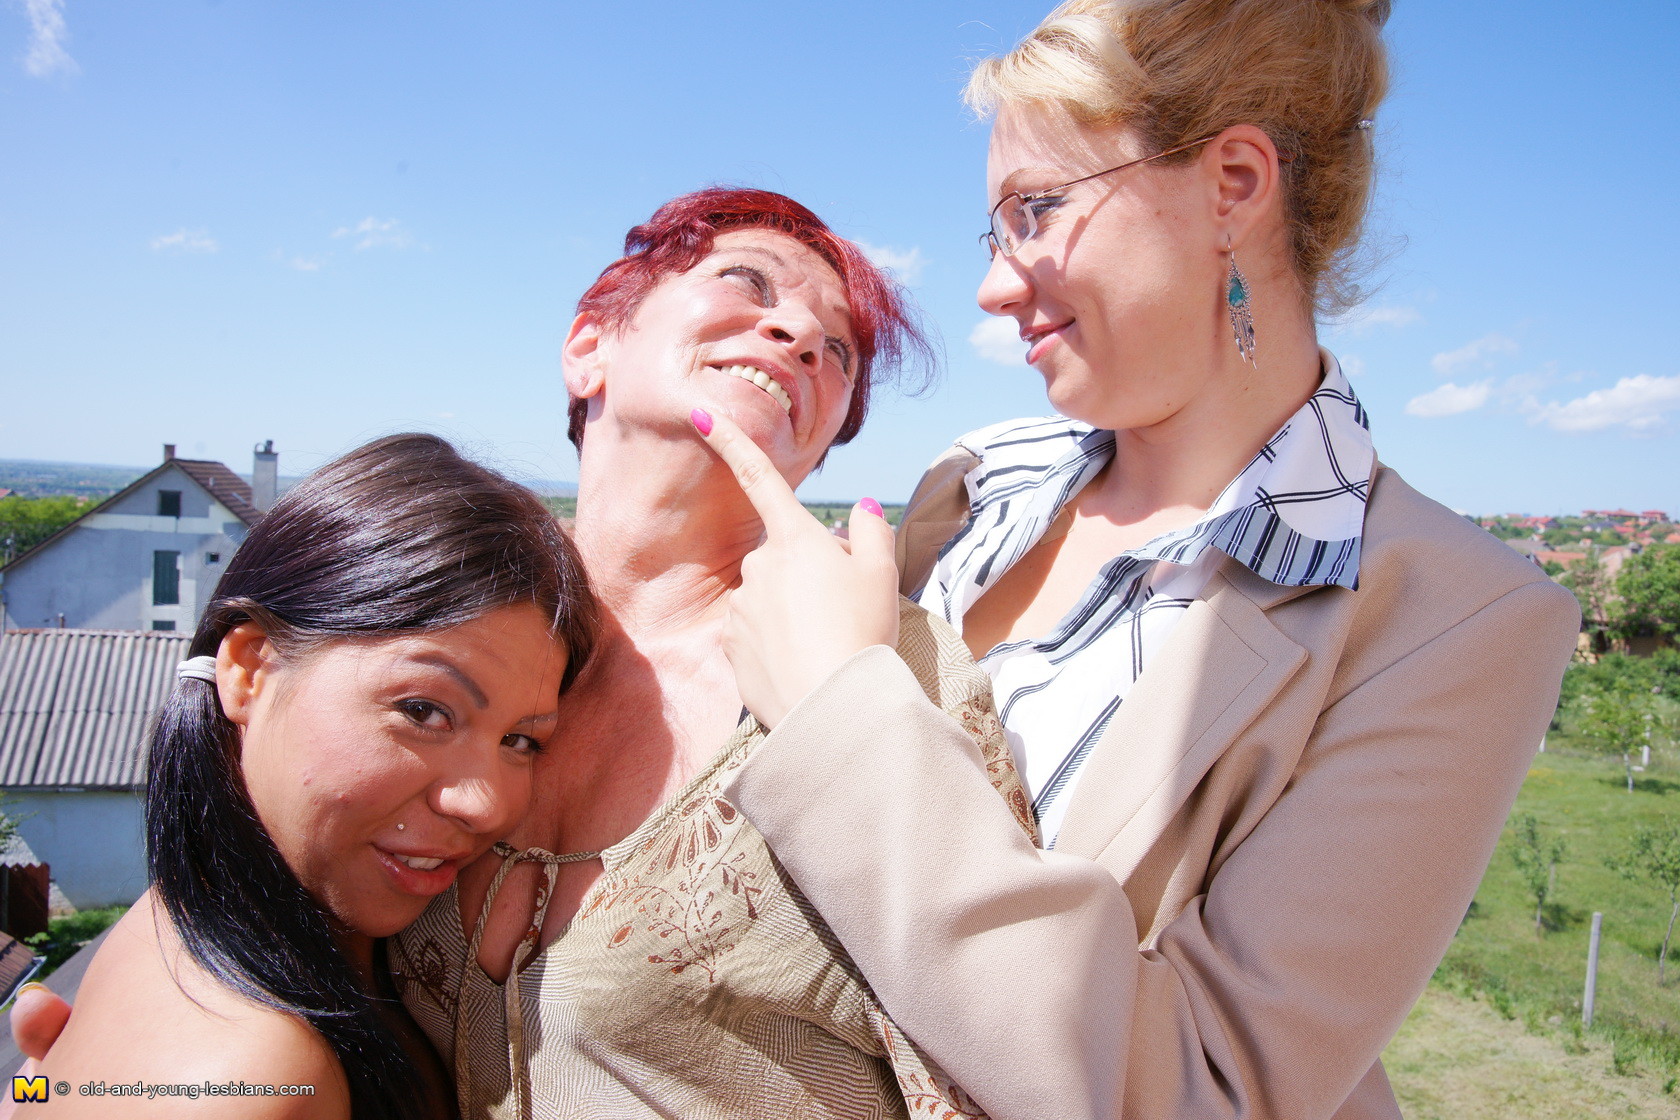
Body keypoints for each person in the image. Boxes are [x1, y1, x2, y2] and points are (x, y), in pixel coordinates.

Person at [692, 3, 1582, 1119]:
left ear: (1235, 185)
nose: (995, 285)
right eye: (995, 230)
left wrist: (839, 719)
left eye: (1038, 210)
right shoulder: (974, 487)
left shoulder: (1456, 619)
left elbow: (1205, 1085)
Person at [386, 188, 1015, 1119]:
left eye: (836, 351)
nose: (798, 333)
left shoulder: (892, 667)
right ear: (588, 347)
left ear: (819, 453)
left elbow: (998, 1052)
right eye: (744, 280)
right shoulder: (429, 606)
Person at [25, 434, 596, 1119]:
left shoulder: (196, 917)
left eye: (520, 740)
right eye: (422, 710)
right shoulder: (258, 1081)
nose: (483, 802)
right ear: (250, 668)